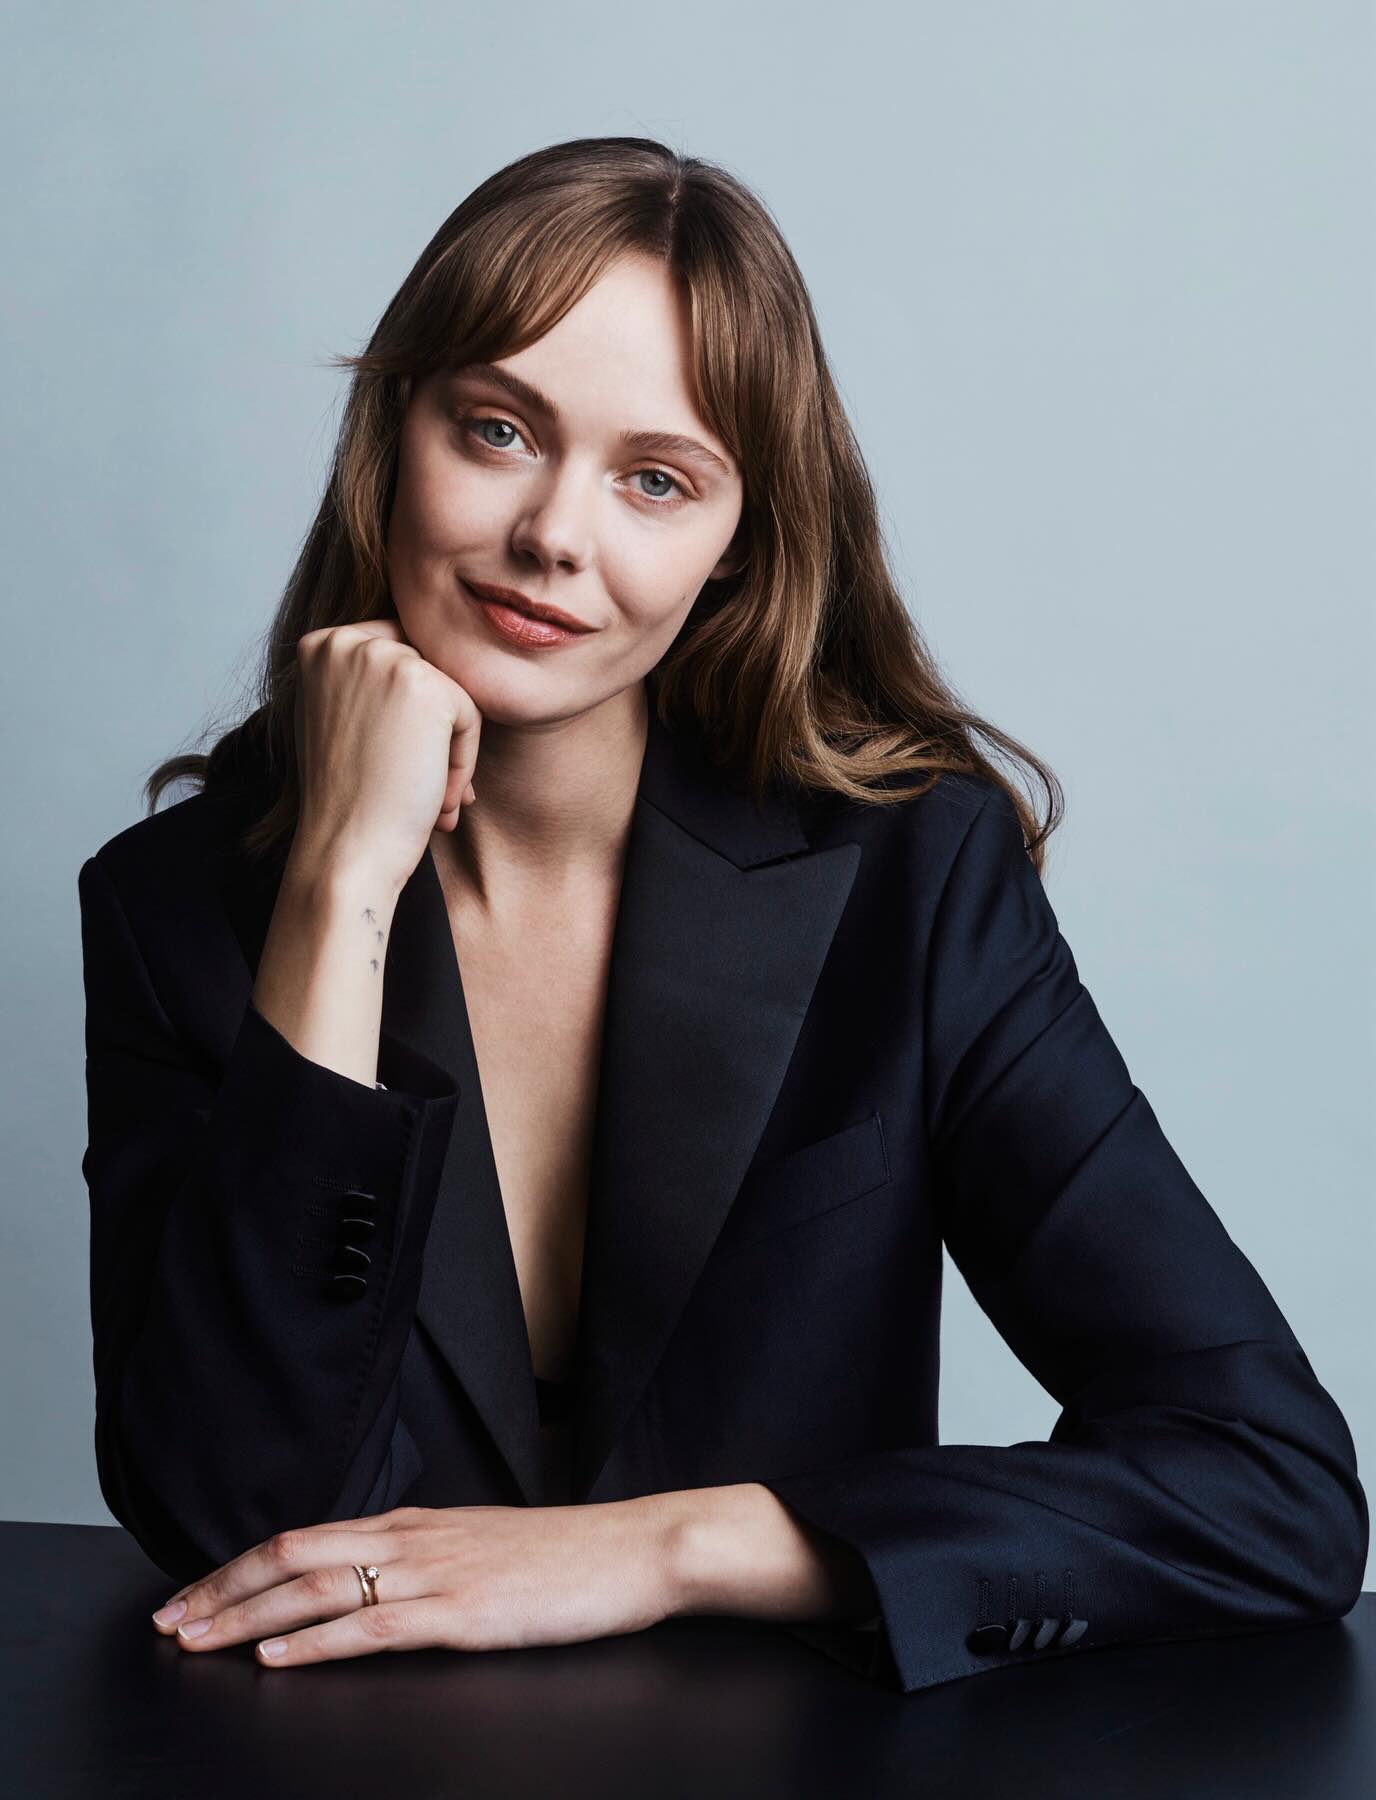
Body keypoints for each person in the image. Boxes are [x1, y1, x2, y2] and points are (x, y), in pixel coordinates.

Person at [78, 136, 1366, 1692]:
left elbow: (1270, 1488)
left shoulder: (911, 874)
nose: (557, 534)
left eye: (656, 480)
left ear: (735, 542)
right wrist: (340, 881)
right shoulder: (176, 910)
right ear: (391, 436)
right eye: (497, 429)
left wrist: (669, 1546)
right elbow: (232, 1518)